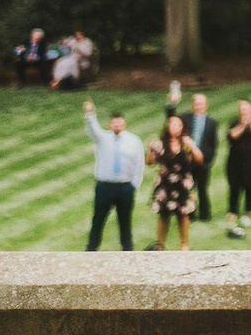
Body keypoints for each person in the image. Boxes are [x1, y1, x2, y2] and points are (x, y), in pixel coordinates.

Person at [84, 100, 145, 251]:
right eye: (114, 124)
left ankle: (127, 250)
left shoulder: (133, 141)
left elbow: (139, 163)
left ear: (124, 124)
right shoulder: (102, 139)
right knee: (98, 219)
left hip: (125, 187)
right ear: (110, 125)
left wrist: (134, 184)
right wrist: (90, 114)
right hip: (105, 186)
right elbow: (92, 129)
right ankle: (91, 249)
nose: (117, 126)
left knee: (125, 221)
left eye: (120, 123)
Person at [147, 113, 201, 250]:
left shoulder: (186, 144)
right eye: (172, 124)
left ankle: (184, 244)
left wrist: (193, 147)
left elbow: (199, 160)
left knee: (183, 214)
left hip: (182, 183)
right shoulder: (161, 144)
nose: (175, 127)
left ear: (182, 127)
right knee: (164, 215)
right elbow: (149, 162)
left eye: (178, 125)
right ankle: (160, 244)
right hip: (165, 184)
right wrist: (151, 150)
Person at [165, 91, 219, 223]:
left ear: (206, 105)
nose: (199, 106)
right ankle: (190, 214)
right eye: (196, 104)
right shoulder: (186, 118)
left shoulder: (212, 122)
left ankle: (205, 215)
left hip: (203, 161)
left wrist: (209, 161)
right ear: (193, 105)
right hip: (187, 160)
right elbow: (171, 118)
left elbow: (213, 144)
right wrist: (172, 103)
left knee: (202, 188)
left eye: (201, 104)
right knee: (188, 188)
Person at [224, 99, 251, 227]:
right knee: (235, 186)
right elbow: (232, 135)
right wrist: (242, 125)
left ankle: (250, 209)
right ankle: (233, 211)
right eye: (242, 109)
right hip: (236, 160)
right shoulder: (234, 122)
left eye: (246, 109)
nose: (244, 111)